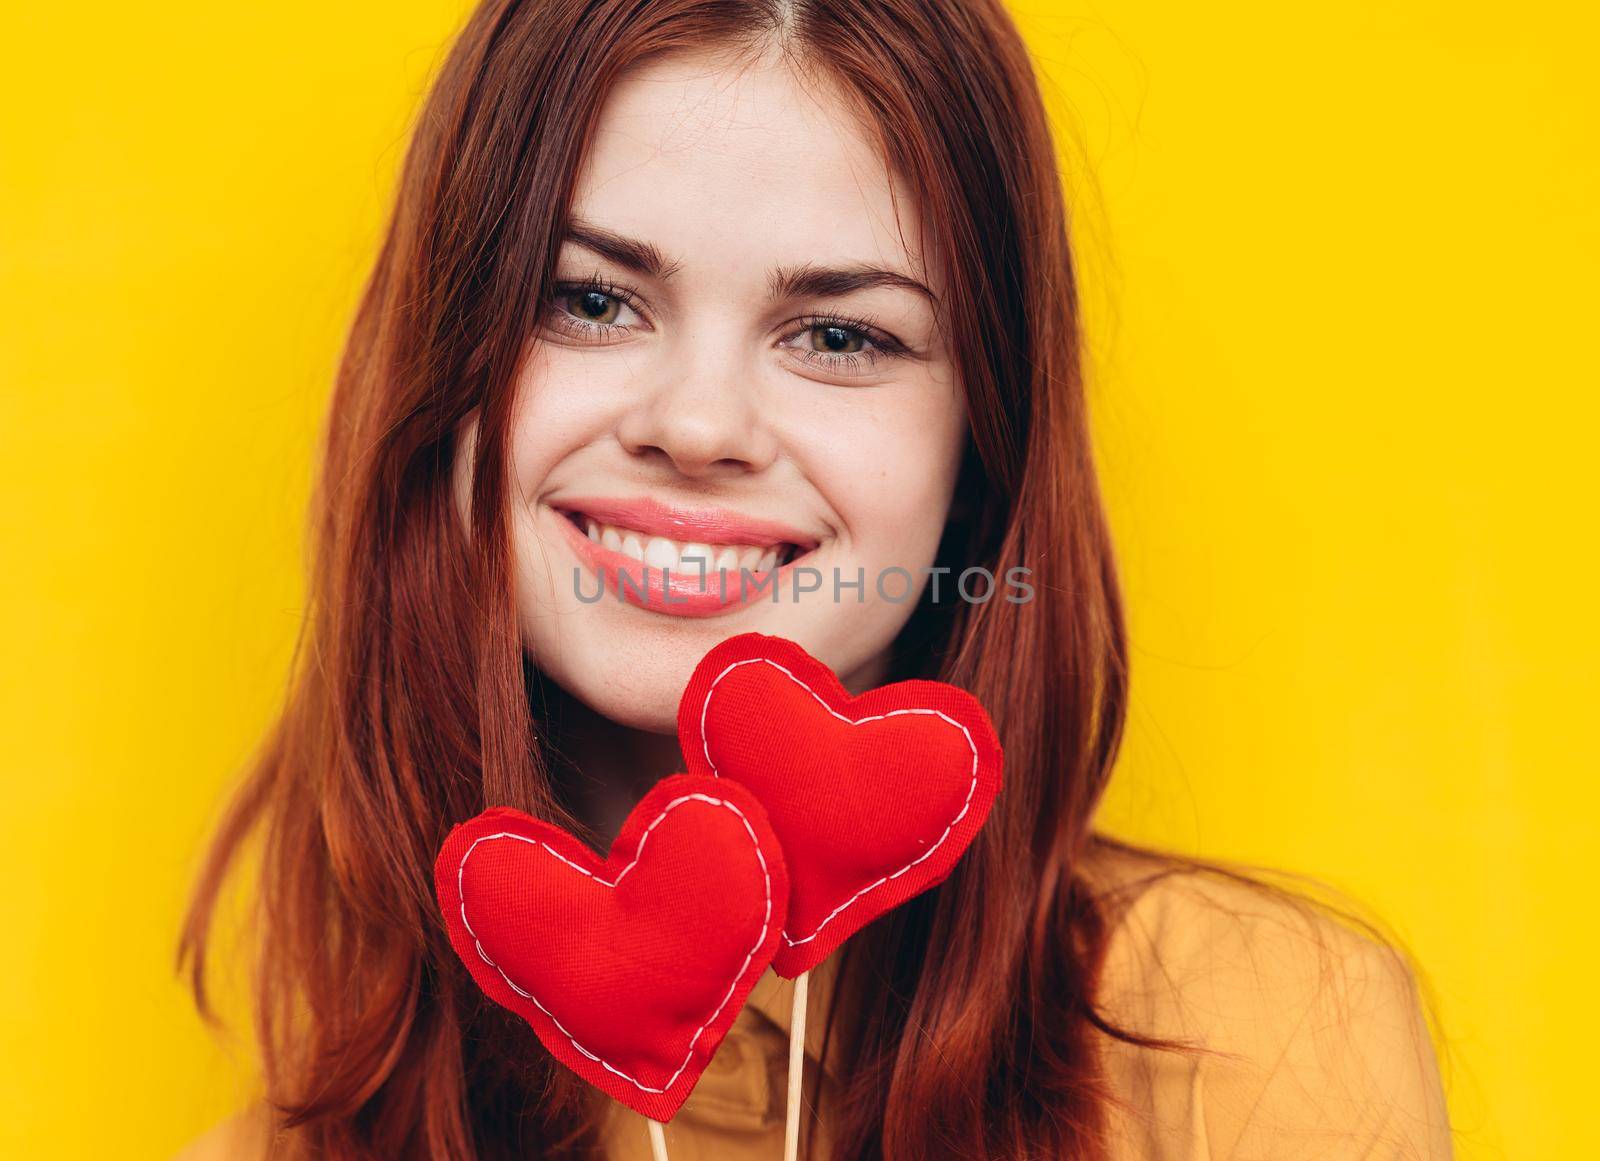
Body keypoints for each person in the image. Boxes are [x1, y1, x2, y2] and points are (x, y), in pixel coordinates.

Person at [177, 1, 1454, 1157]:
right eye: (588, 301)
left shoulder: (1250, 1035)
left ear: (978, 451)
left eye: (841, 335)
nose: (696, 423)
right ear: (444, 381)